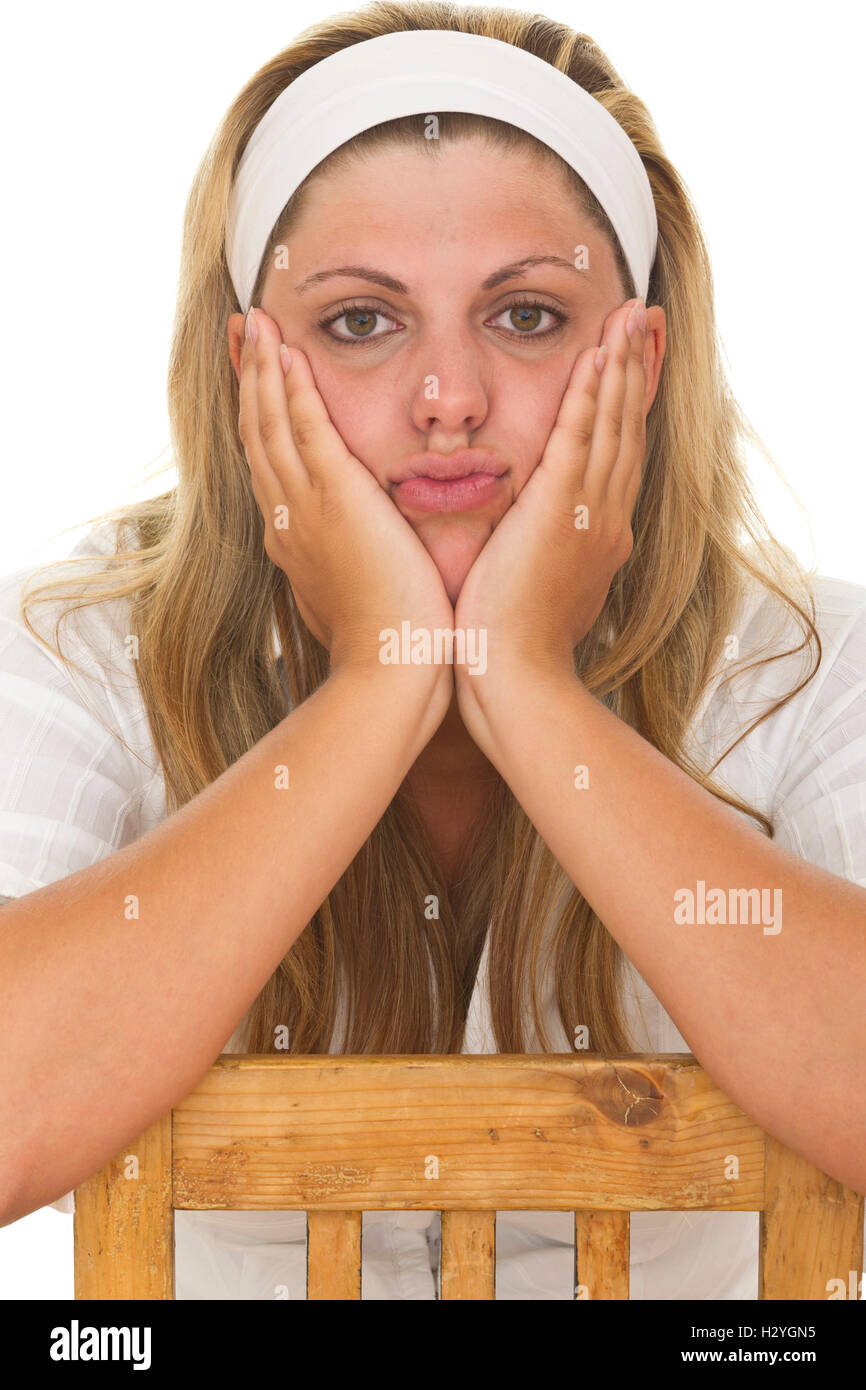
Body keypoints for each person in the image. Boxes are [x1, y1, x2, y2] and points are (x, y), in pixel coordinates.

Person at [1, 2, 864, 1301]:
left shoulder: (804, 664)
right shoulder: (73, 651)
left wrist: (529, 689)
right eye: (360, 321)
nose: (447, 397)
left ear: (635, 354)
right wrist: (379, 683)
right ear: (248, 371)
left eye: (524, 316)